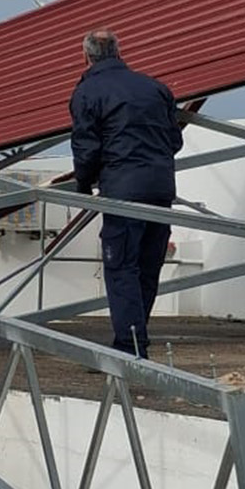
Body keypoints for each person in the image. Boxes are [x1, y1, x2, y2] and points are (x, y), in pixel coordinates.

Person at [69, 28, 184, 357]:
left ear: (86, 56)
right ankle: (136, 342)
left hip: (122, 190)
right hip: (160, 188)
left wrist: (83, 184)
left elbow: (86, 148)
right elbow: (174, 140)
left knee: (121, 267)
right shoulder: (155, 87)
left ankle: (129, 348)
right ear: (119, 52)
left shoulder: (88, 92)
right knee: (148, 268)